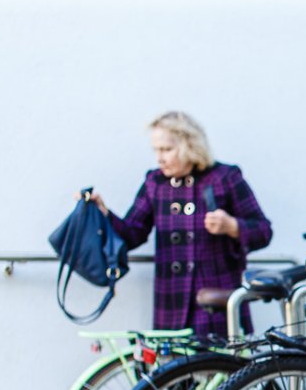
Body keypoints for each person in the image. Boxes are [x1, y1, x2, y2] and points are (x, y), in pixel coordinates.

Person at [86, 111, 272, 337]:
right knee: (174, 370)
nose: (159, 158)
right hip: (171, 303)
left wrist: (231, 226)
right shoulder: (155, 182)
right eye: (156, 150)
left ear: (190, 145)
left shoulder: (224, 177)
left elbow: (263, 231)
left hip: (216, 301)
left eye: (166, 149)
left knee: (223, 368)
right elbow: (132, 233)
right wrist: (103, 213)